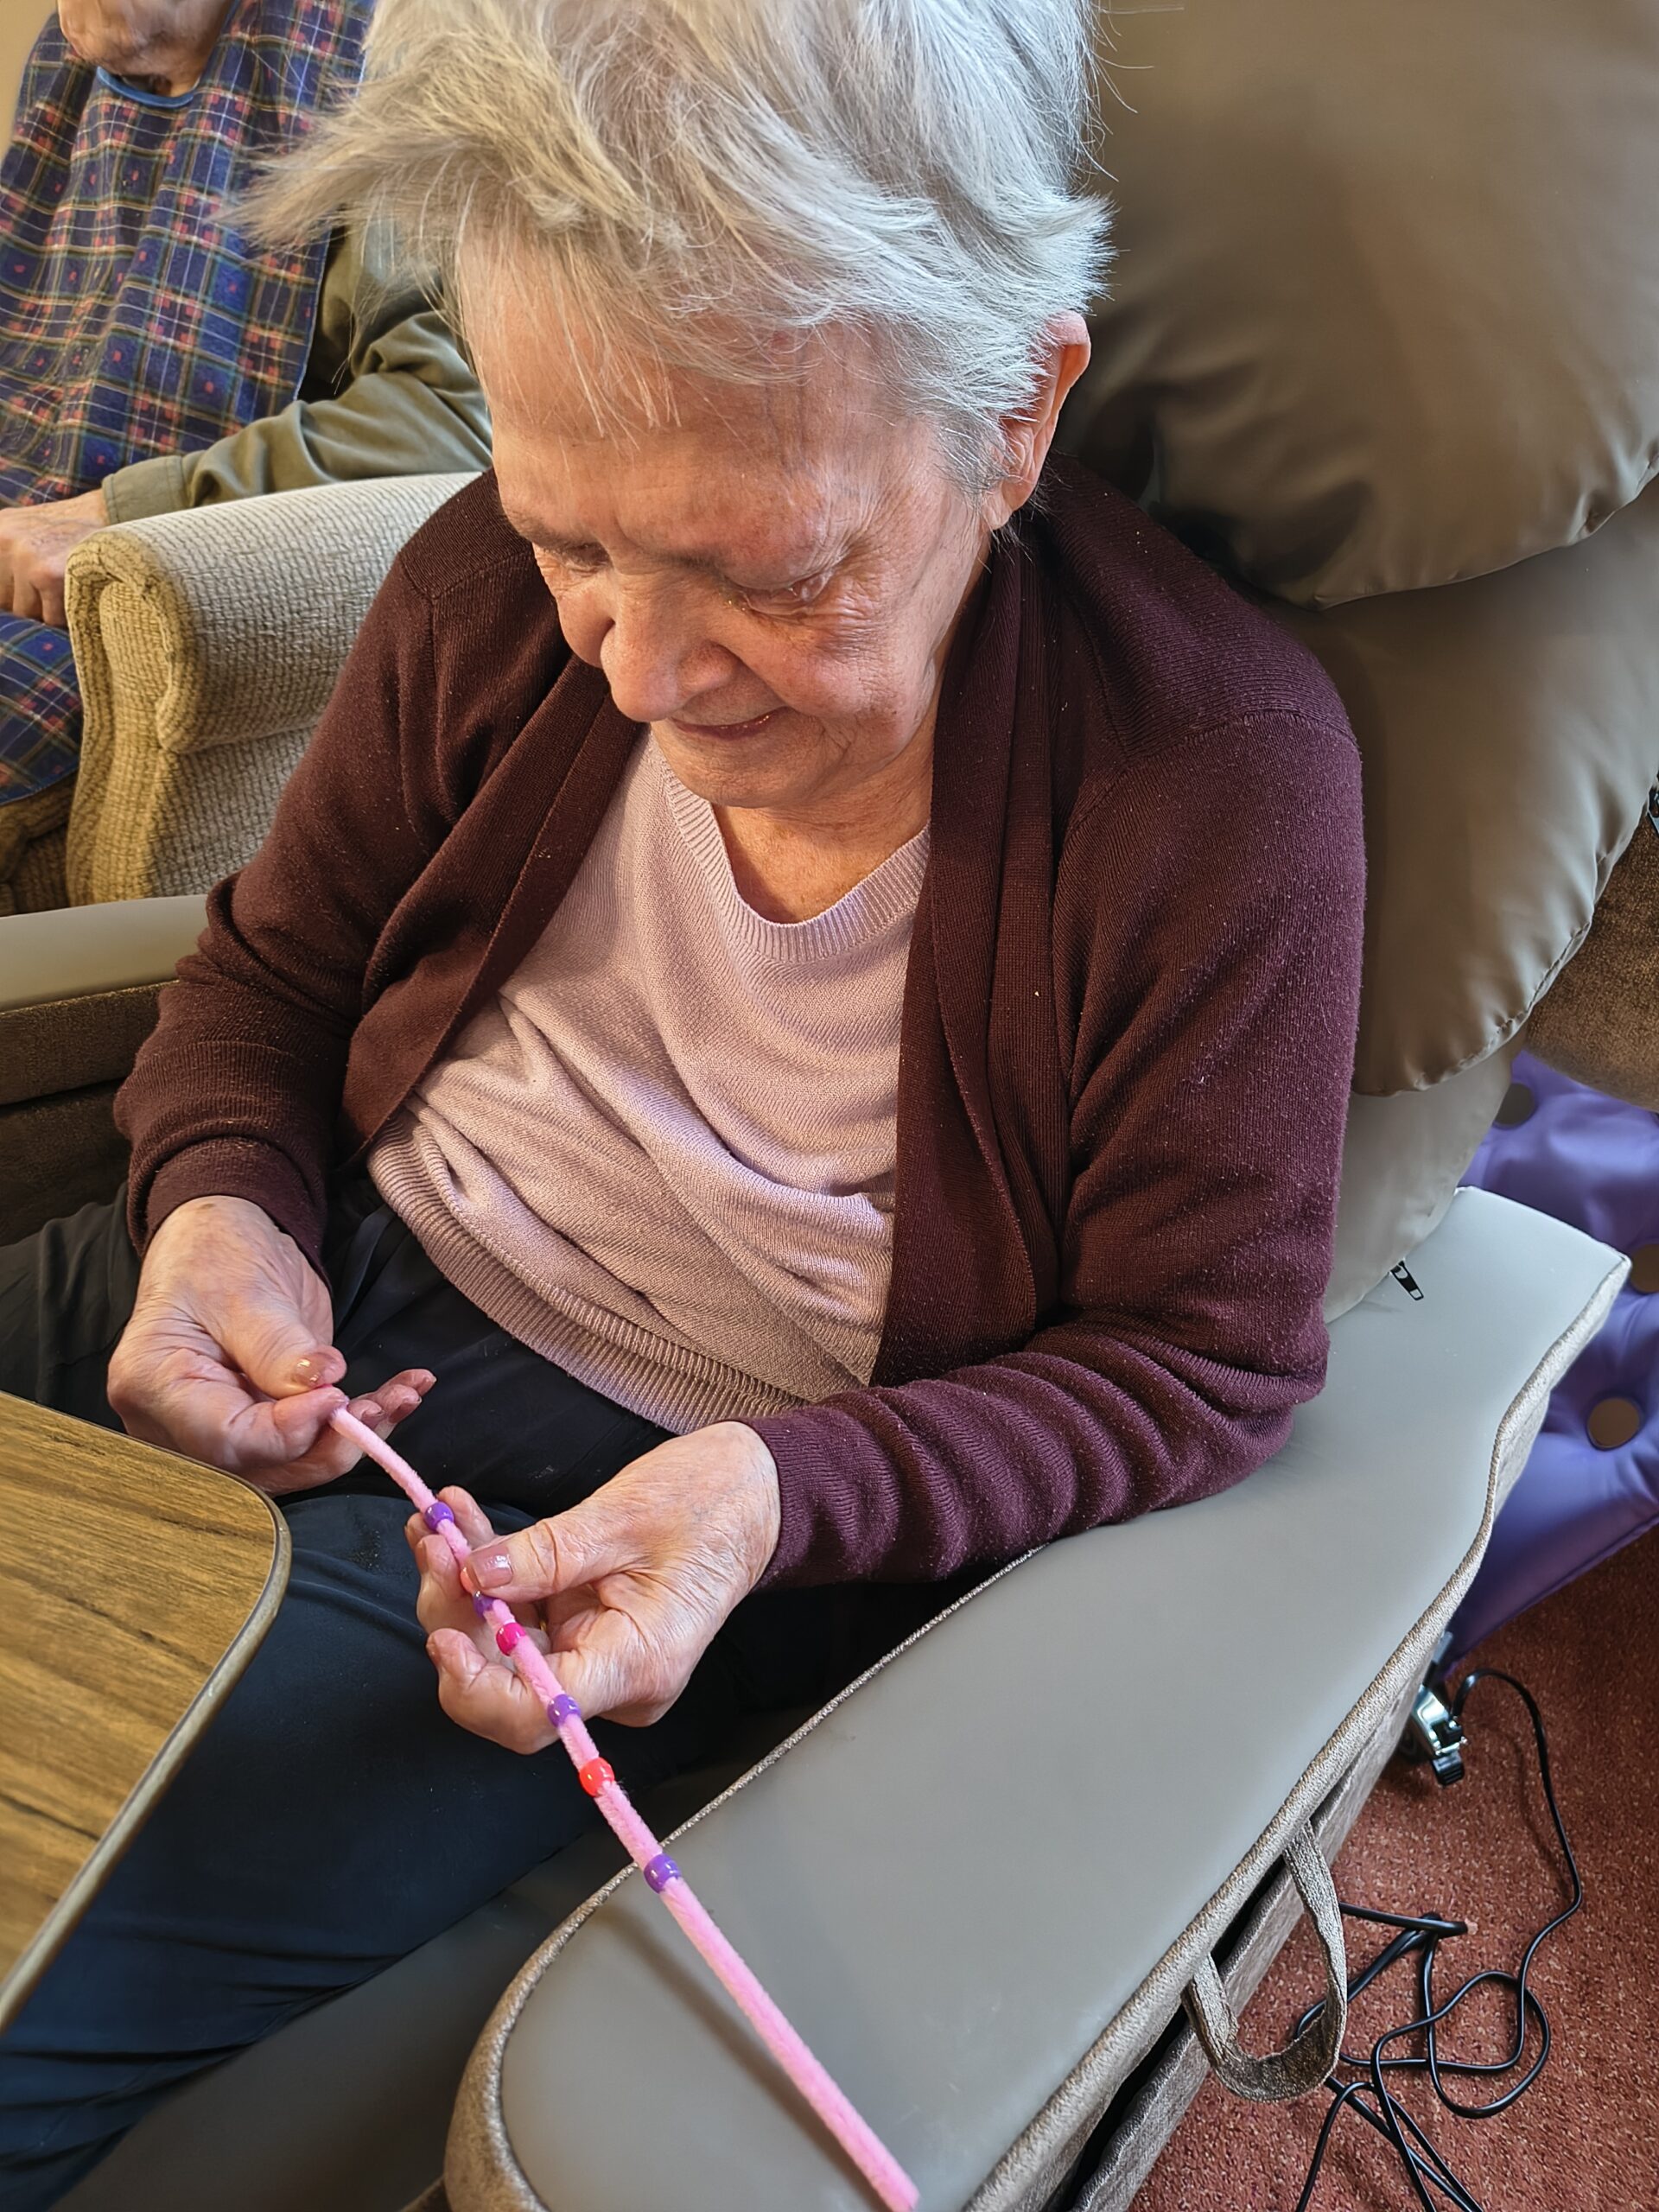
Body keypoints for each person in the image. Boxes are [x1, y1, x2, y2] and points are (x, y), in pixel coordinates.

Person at [0, 0, 1365, 2199]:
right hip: (316, 1293)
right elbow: (270, 975)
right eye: (575, 544)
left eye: (775, 568)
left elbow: (1202, 1359)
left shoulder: (1214, 793)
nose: (633, 664)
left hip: (627, 1517)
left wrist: (771, 1499)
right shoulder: (487, 590)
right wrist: (220, 1199)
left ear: (1015, 409)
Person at [0, 0, 490, 896]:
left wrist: (119, 511)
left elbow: (454, 418)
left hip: (113, 592)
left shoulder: (383, 63)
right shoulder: (79, 56)